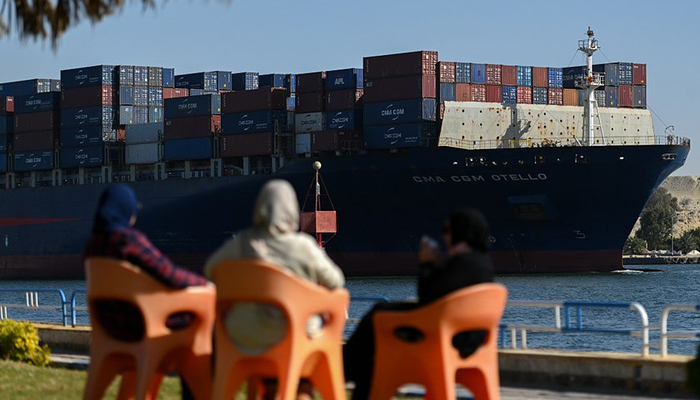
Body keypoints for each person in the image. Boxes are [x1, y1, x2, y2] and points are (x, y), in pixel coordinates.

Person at [203, 179, 345, 399]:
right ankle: (301, 387)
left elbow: (211, 269)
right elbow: (336, 281)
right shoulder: (304, 246)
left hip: (244, 334)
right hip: (294, 334)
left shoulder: (242, 243)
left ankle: (270, 387)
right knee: (309, 339)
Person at [343, 208, 495, 400]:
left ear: (460, 233)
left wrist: (427, 264)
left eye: (447, 230)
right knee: (374, 348)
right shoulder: (482, 266)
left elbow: (428, 297)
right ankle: (349, 369)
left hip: (440, 341)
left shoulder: (463, 264)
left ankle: (344, 369)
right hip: (468, 341)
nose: (444, 236)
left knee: (377, 318)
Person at [84, 184, 208, 400]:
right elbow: (169, 273)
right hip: (146, 327)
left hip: (112, 330)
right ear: (125, 210)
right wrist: (205, 285)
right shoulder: (128, 240)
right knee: (203, 328)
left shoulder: (92, 246)